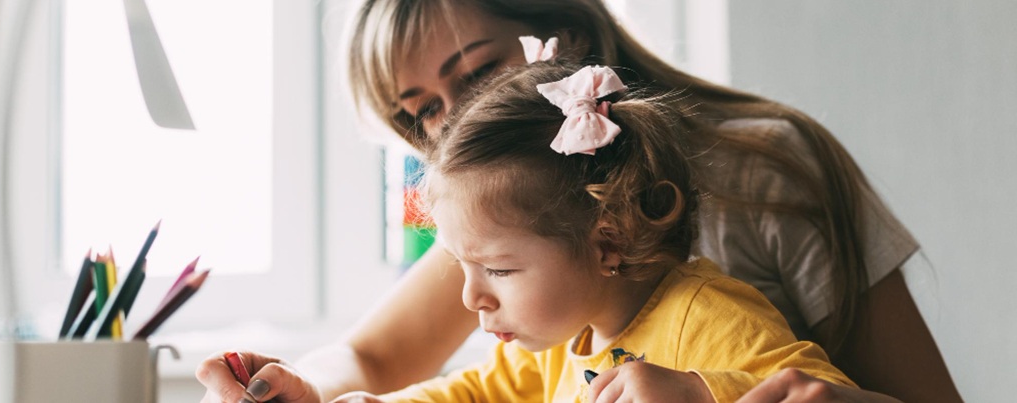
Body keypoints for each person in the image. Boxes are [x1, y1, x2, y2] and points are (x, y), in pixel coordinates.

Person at [196, 1, 962, 402]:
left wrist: (707, 392)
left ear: (563, 41)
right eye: (423, 110)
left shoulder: (765, 177)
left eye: (476, 73)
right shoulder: (521, 257)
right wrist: (298, 389)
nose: (457, 125)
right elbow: (386, 361)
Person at [338, 56, 857, 402]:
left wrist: (701, 392)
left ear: (608, 242)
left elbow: (820, 391)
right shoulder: (565, 335)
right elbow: (478, 392)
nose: (471, 297)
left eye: (498, 269)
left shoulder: (708, 316)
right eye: (464, 266)